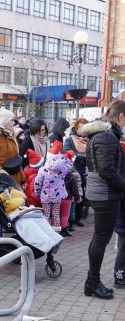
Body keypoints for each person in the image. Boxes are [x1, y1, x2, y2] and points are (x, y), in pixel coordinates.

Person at [83, 99, 125, 299]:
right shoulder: (107, 137)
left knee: (99, 238)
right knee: (101, 239)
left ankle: (92, 282)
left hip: (102, 193)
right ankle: (93, 282)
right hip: (105, 194)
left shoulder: (104, 135)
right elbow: (107, 170)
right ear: (121, 117)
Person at [34, 153, 73, 231]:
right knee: (56, 213)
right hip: (57, 196)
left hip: (45, 196)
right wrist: (64, 158)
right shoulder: (62, 170)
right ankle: (56, 229)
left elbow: (37, 182)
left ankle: (46, 230)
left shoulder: (42, 170)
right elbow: (70, 165)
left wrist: (37, 192)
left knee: (46, 214)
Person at [63, 117, 89, 228]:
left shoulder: (90, 139)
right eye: (80, 128)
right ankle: (70, 221)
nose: (82, 130)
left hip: (85, 170)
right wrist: (81, 156)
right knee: (73, 196)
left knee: (82, 193)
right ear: (76, 128)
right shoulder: (70, 139)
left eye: (85, 128)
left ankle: (78, 217)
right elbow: (67, 152)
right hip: (73, 170)